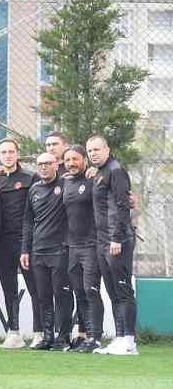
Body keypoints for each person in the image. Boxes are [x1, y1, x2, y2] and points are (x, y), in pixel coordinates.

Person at [87, 135, 138, 355]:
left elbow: (121, 206)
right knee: (113, 291)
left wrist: (116, 238)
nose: (93, 153)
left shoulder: (116, 170)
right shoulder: (99, 172)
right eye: (90, 151)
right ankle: (119, 337)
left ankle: (129, 340)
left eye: (97, 149)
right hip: (102, 240)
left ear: (107, 149)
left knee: (123, 289)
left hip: (117, 240)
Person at [0, 138, 38, 349]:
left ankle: (40, 332)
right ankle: (14, 332)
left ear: (17, 154)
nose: (8, 155)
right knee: (9, 288)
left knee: (35, 287)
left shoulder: (30, 177)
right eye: (3, 152)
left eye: (11, 151)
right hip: (2, 243)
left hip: (26, 242)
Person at [22, 151, 70, 350]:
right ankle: (47, 336)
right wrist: (25, 249)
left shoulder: (66, 184)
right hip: (37, 251)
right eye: (40, 163)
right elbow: (27, 221)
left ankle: (63, 337)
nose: (43, 167)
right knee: (43, 296)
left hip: (59, 250)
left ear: (57, 164)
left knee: (61, 294)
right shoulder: (34, 189)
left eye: (48, 163)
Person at [60, 146, 102, 352]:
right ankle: (86, 337)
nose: (71, 163)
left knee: (91, 291)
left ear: (84, 160)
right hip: (72, 247)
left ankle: (95, 337)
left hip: (92, 246)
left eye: (75, 159)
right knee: (79, 292)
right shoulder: (65, 181)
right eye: (67, 160)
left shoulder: (94, 179)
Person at [41, 132, 78, 344]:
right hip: (45, 246)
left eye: (55, 144)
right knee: (47, 293)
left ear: (65, 146)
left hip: (70, 244)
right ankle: (48, 335)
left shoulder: (75, 171)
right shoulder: (42, 174)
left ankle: (79, 334)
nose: (51, 147)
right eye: (47, 144)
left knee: (73, 291)